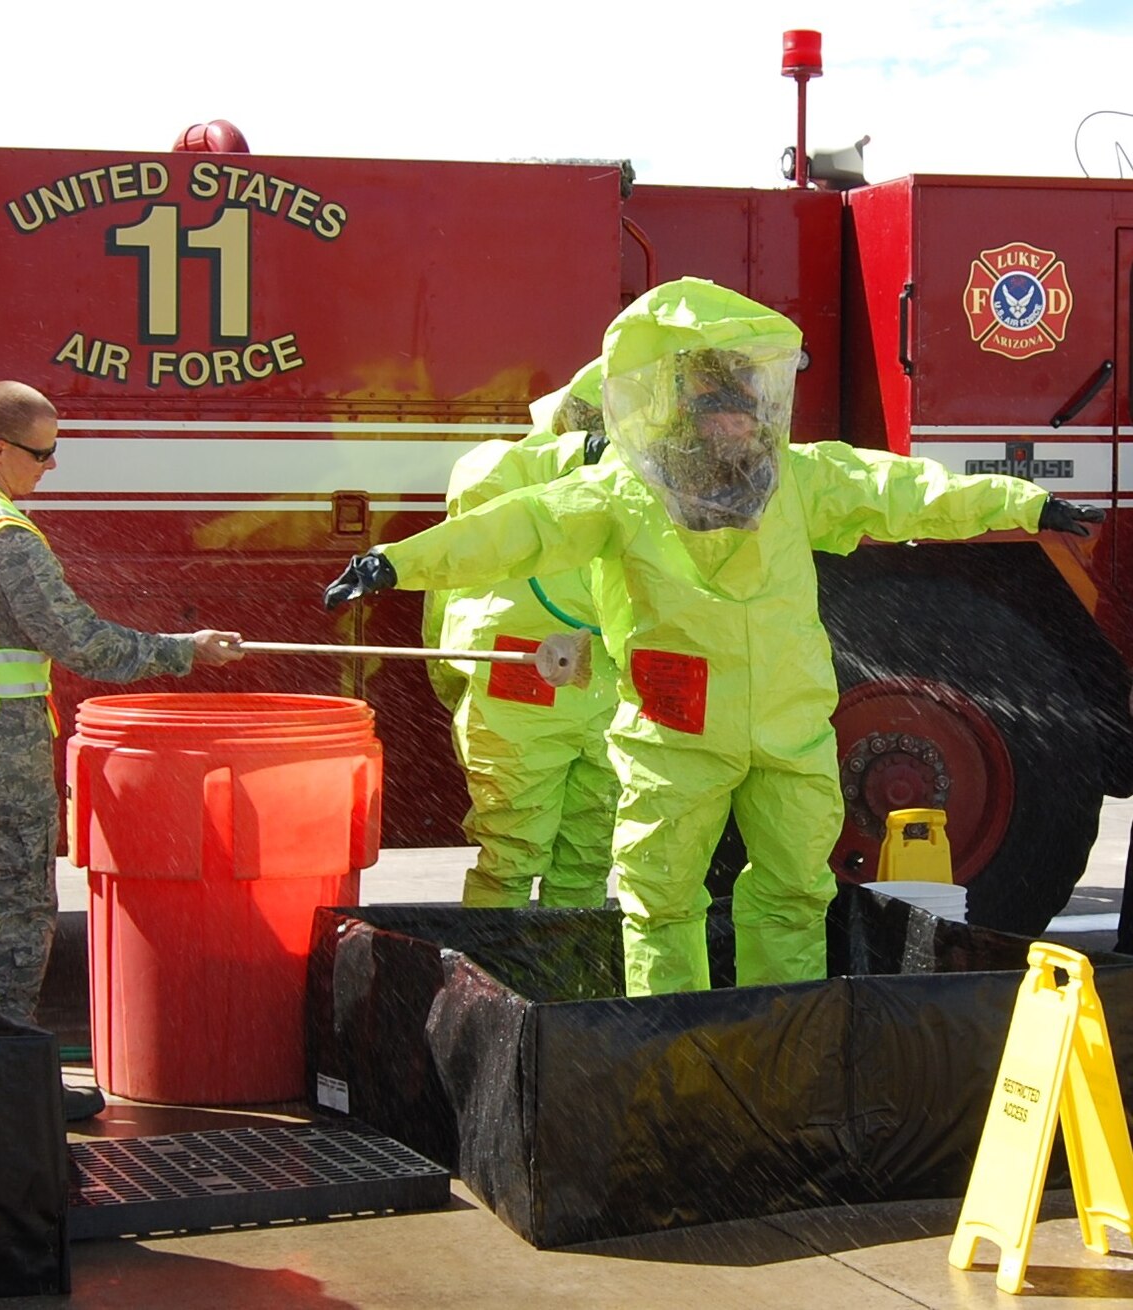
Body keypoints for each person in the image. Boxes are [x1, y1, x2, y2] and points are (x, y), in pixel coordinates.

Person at [326, 278, 1102, 996]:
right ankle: (668, 1042)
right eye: (717, 410)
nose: (735, 425)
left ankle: (780, 1032)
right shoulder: (625, 493)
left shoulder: (797, 480)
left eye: (742, 408)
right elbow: (517, 529)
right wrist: (396, 563)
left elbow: (901, 490)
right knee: (660, 900)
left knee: (797, 890)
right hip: (677, 737)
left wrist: (1024, 505)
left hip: (788, 733)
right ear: (684, 417)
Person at [0, 380, 244, 1118]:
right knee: (17, 905)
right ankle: (5, 1085)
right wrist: (187, 651)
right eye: (41, 453)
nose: (50, 467)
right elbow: (82, 641)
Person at [424, 360, 618, 908]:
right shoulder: (504, 468)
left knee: (587, 858)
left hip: (600, 694)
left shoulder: (619, 498)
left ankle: (563, 980)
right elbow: (484, 481)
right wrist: (579, 455)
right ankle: (491, 981)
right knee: (511, 854)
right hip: (520, 693)